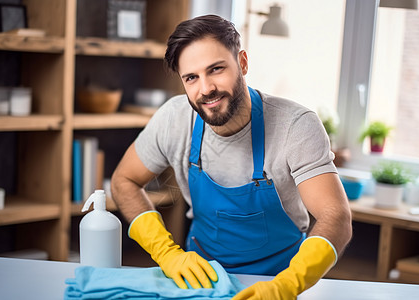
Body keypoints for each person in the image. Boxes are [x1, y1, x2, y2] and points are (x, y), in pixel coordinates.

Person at [111, 14, 352, 299]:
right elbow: (123, 181)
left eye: (216, 69)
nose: (206, 89)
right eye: (191, 77)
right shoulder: (175, 119)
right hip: (200, 282)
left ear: (243, 62)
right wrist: (167, 254)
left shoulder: (295, 125)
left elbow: (335, 217)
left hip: (281, 279)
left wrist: (287, 285)